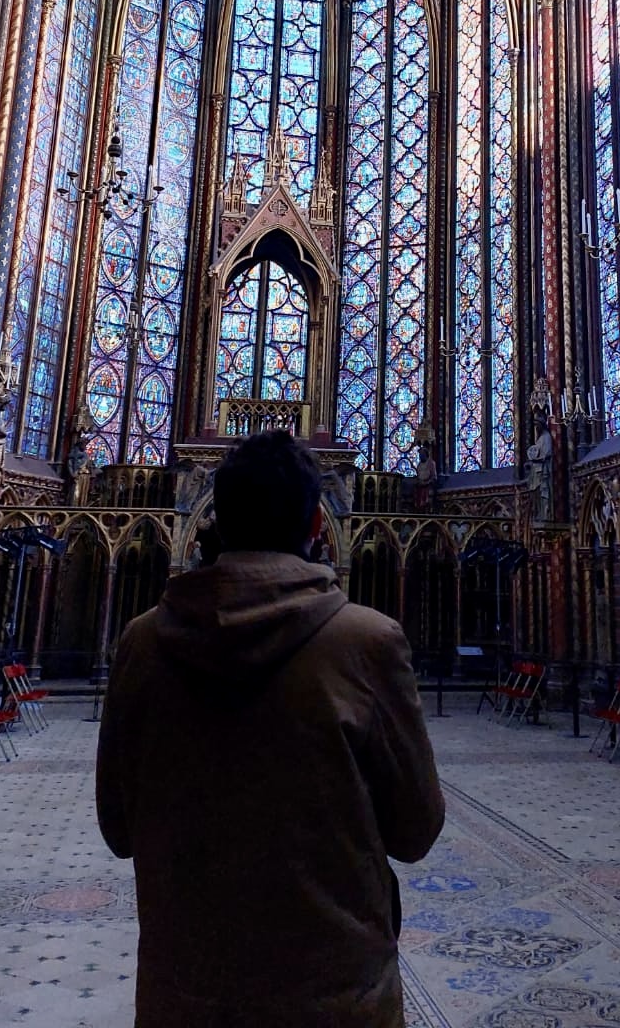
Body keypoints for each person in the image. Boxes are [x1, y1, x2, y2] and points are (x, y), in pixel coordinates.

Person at [96, 430, 444, 1028]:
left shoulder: (142, 643)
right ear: (317, 522)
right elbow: (415, 831)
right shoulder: (367, 643)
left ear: (216, 518)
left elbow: (118, 828)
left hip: (187, 993)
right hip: (335, 997)